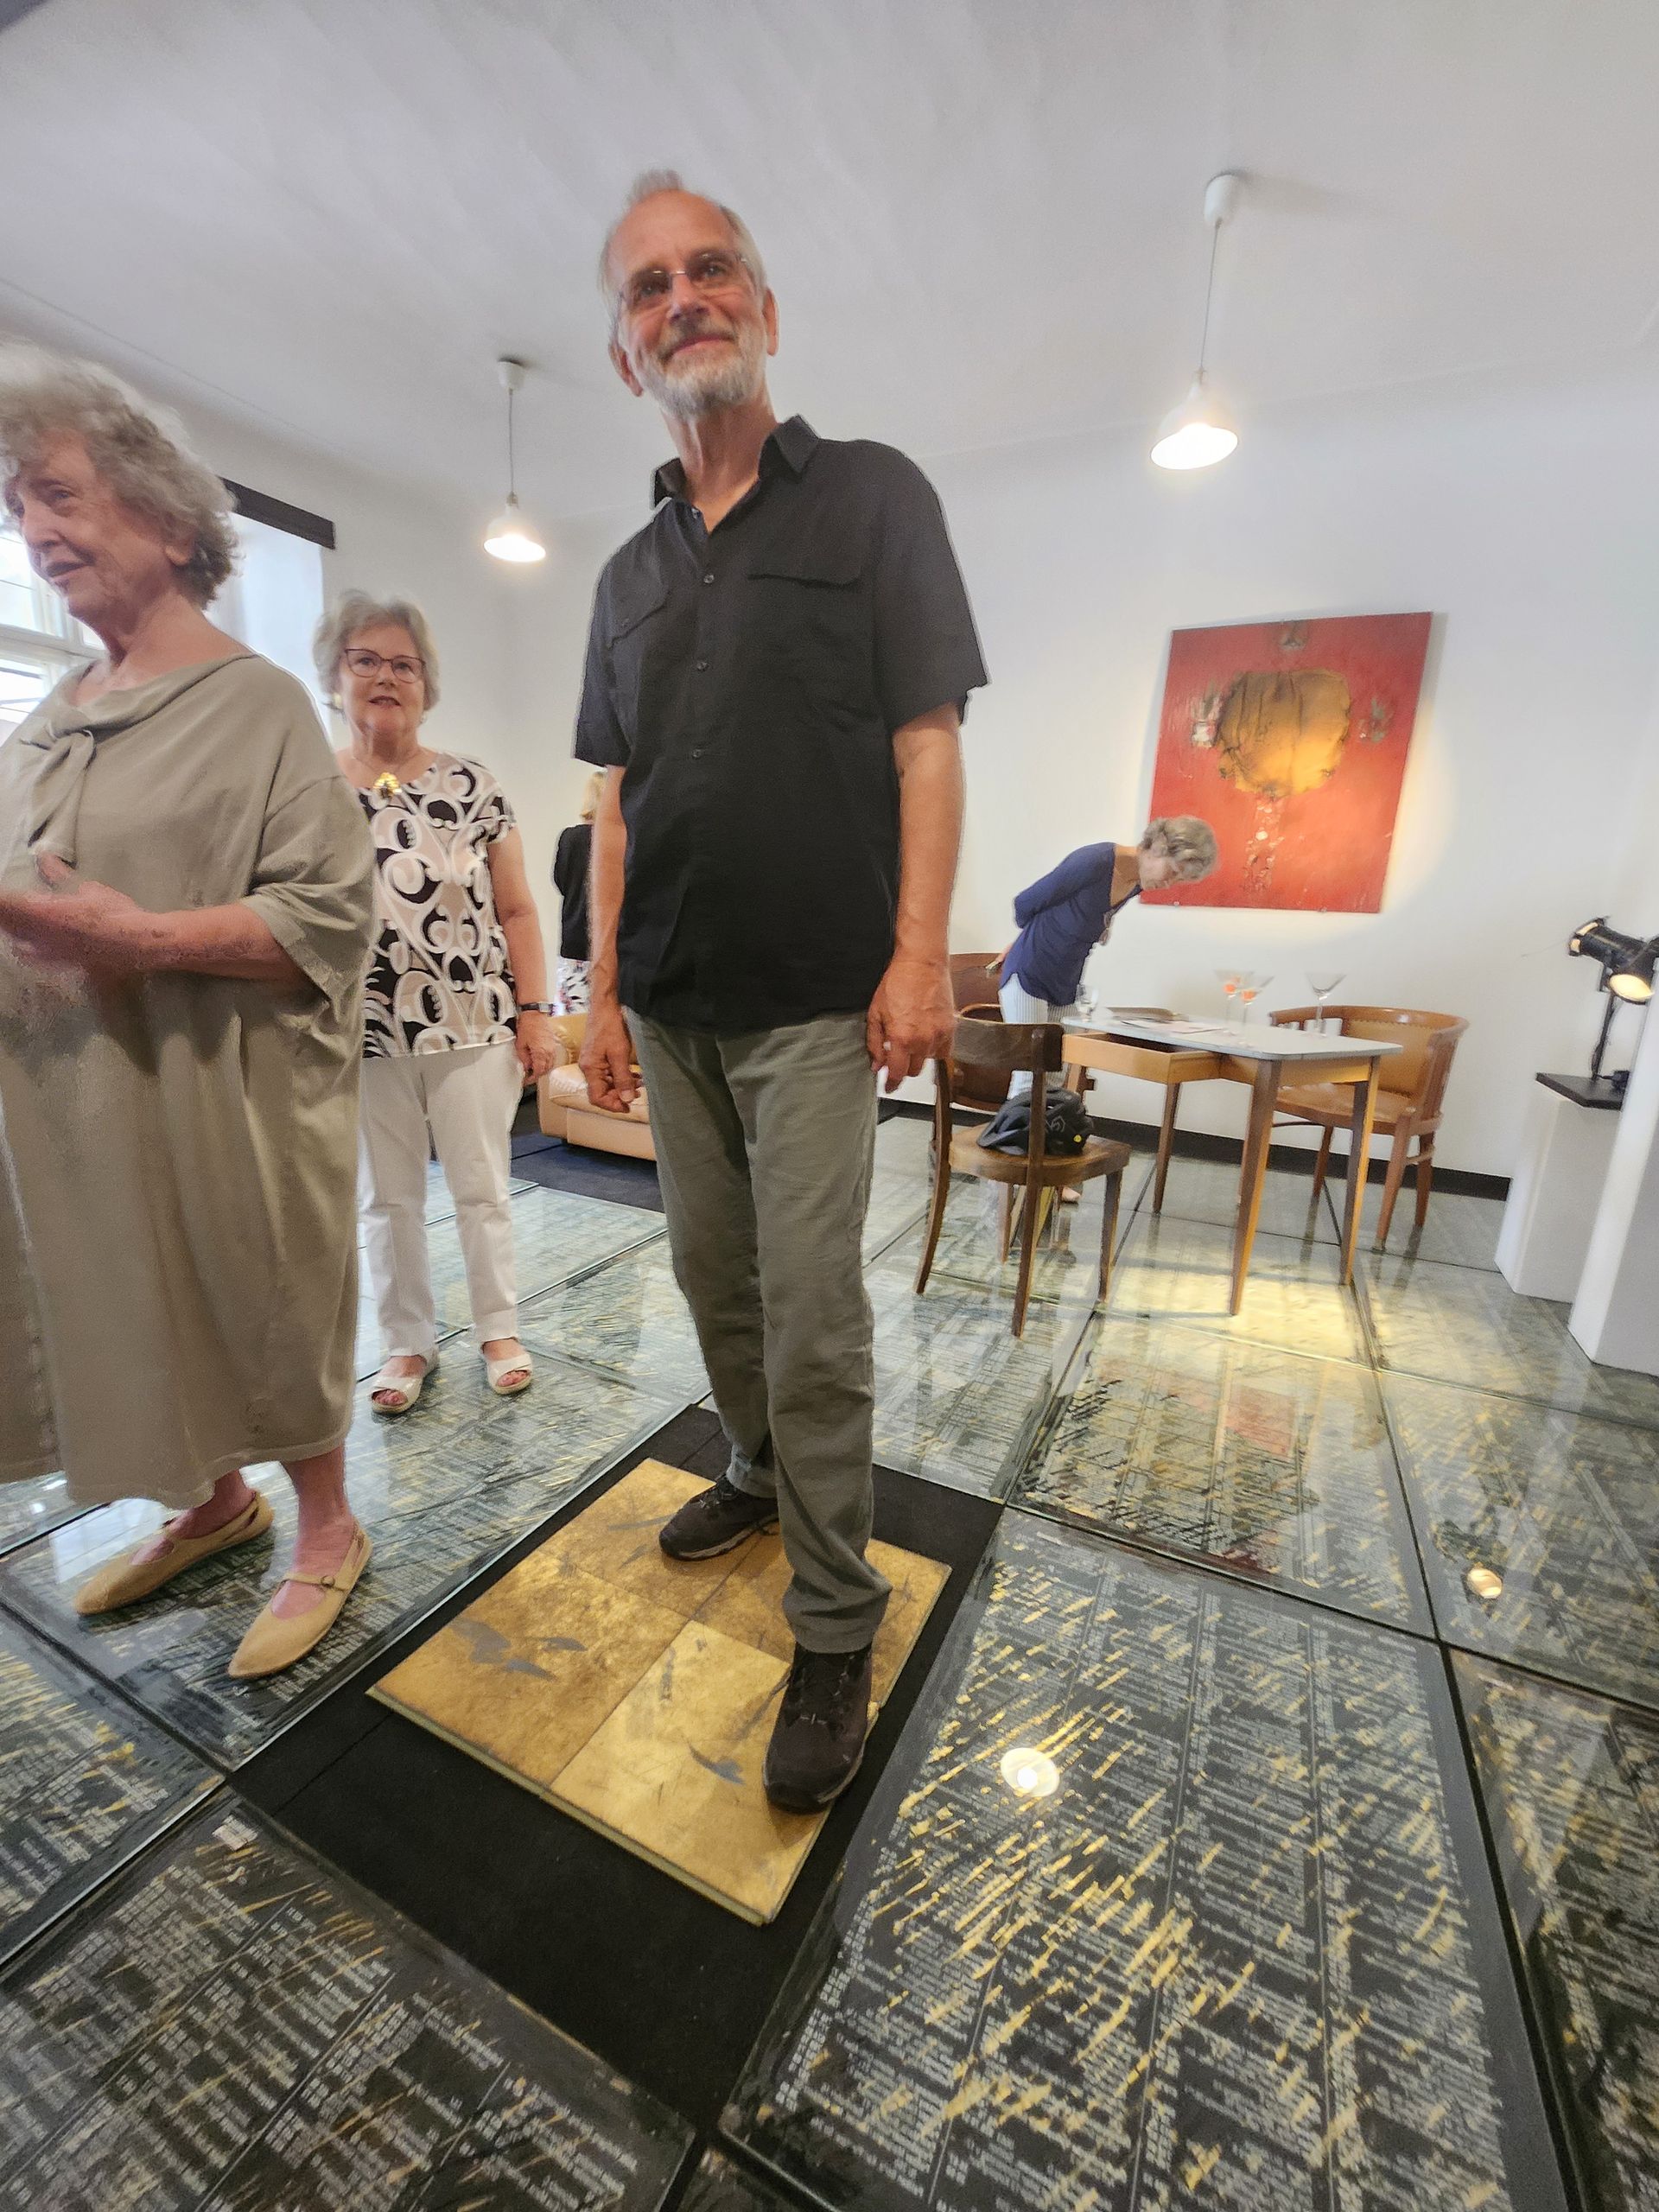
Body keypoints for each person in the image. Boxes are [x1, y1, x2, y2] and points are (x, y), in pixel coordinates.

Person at [576, 172, 987, 1812]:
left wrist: (917, 956)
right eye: (649, 286)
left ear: (764, 305)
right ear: (625, 351)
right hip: (668, 997)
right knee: (714, 1281)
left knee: (814, 1310)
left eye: (711, 269)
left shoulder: (873, 497)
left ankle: (835, 1618)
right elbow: (613, 801)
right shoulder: (625, 573)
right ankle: (753, 1470)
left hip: (819, 995)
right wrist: (597, 990)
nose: (684, 298)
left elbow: (927, 743)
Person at [0, 346, 376, 1680]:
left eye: (59, 493)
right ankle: (213, 1503)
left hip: (230, 1090)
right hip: (85, 1095)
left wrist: (138, 939)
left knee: (256, 1288)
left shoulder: (256, 705)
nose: (34, 530)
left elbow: (332, 919)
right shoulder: (48, 719)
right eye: (18, 505)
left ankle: (326, 1524)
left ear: (166, 519)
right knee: (133, 1287)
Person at [319, 591, 560, 1414]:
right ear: (335, 675)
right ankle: (406, 1342)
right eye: (366, 660)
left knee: (481, 1187)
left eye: (405, 665)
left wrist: (536, 1012)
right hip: (357, 1030)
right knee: (384, 1199)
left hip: (474, 1022)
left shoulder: (473, 784)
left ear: (427, 685)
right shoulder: (309, 790)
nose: (386, 677)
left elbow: (518, 910)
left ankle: (498, 1328)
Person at [999, 821, 1218, 1097]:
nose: (1169, 884)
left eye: (1179, 880)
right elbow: (1024, 904)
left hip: (1065, 983)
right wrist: (1025, 942)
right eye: (1173, 872)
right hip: (1028, 974)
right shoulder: (1094, 862)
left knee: (1055, 1075)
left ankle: (1043, 1128)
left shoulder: (1135, 884)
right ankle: (1014, 1128)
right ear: (1158, 847)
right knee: (1030, 1075)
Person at [551, 769, 603, 1011]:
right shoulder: (623, 840)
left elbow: (560, 882)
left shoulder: (569, 838)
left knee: (572, 1022)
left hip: (573, 943)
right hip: (611, 947)